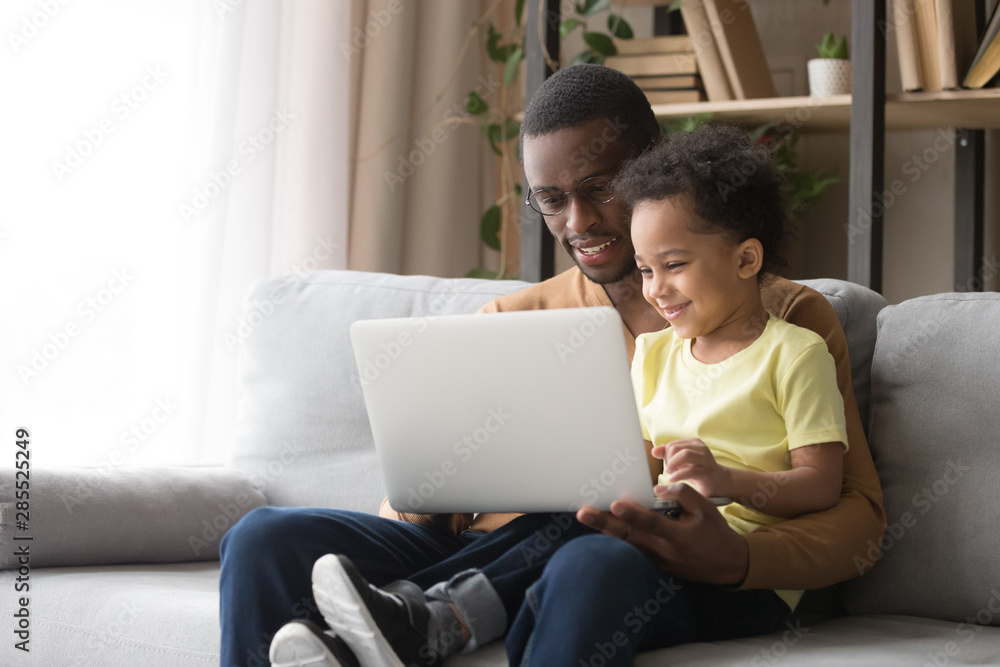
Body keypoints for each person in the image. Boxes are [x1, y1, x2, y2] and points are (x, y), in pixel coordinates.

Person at [219, 64, 885, 667]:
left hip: (628, 554)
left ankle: (421, 619)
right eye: (551, 198)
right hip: (481, 550)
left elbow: (857, 517)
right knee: (262, 539)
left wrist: (738, 555)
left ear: (654, 169)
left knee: (591, 555)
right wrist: (427, 486)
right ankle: (402, 619)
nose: (579, 221)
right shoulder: (512, 320)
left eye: (600, 188)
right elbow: (416, 502)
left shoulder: (785, 321)